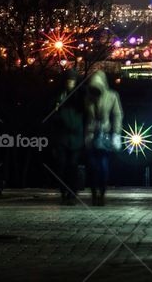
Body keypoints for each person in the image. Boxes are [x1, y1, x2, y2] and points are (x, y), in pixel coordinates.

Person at [83, 69, 122, 206]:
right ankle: (95, 194)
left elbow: (117, 114)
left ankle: (102, 193)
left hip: (104, 136)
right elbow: (83, 115)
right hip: (91, 135)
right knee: (93, 167)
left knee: (103, 167)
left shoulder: (111, 96)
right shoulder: (87, 97)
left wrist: (116, 133)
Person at [50, 70, 84, 202]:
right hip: (63, 137)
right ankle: (66, 190)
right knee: (63, 166)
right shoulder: (60, 96)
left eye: (72, 80)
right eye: (68, 80)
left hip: (74, 138)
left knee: (72, 166)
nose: (70, 83)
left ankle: (71, 191)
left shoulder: (78, 97)